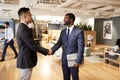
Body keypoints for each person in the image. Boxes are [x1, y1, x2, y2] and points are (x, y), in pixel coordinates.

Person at [17, 7, 51, 80]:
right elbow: (32, 45)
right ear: (24, 16)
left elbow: (28, 41)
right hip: (26, 60)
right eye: (30, 15)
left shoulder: (24, 27)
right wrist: (47, 51)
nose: (31, 17)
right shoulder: (23, 29)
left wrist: (30, 29)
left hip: (26, 59)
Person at [49, 13, 84, 80]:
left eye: (65, 18)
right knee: (65, 77)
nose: (64, 20)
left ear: (71, 20)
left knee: (75, 77)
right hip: (64, 59)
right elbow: (59, 43)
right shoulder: (63, 32)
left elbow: (81, 48)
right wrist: (51, 50)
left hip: (74, 59)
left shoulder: (79, 31)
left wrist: (78, 61)